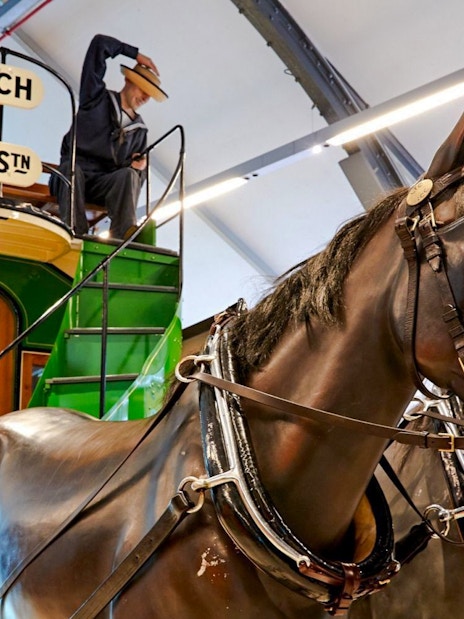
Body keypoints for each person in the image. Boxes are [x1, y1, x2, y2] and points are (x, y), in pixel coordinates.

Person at [50, 34, 168, 239]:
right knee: (72, 170)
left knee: (129, 175)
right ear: (129, 79)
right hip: (69, 178)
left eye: (150, 95)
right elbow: (98, 44)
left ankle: (123, 240)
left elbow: (131, 186)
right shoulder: (95, 98)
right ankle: (77, 236)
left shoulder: (140, 132)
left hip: (102, 185)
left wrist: (136, 170)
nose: (146, 98)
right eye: (143, 89)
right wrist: (135, 54)